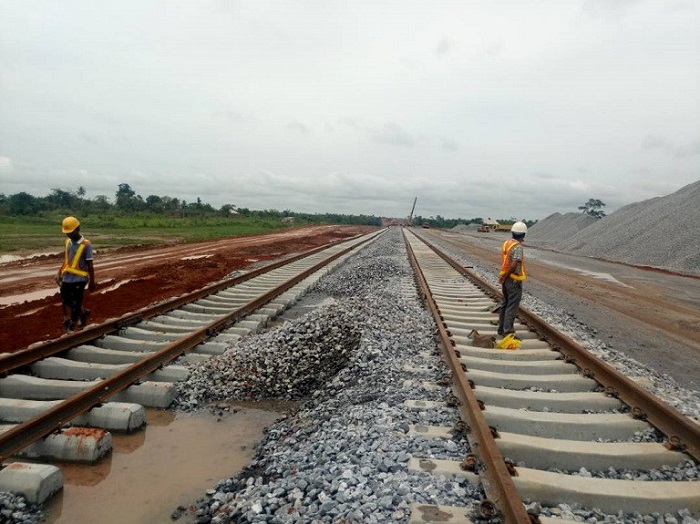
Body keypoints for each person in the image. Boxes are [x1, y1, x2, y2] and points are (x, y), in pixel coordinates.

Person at [56, 216, 96, 331]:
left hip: (80, 279)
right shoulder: (68, 242)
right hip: (67, 278)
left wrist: (92, 282)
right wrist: (59, 273)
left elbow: (90, 265)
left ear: (77, 228)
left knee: (76, 304)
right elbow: (67, 260)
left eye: (71, 232)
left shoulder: (86, 245)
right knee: (65, 299)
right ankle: (83, 312)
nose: (68, 235)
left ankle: (71, 328)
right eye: (67, 233)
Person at [496, 221, 527, 345]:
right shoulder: (517, 247)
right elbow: (514, 264)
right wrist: (507, 276)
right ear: (523, 235)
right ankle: (508, 332)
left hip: (506, 277)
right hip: (513, 279)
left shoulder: (507, 243)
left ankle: (501, 329)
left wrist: (503, 276)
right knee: (512, 305)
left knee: (505, 303)